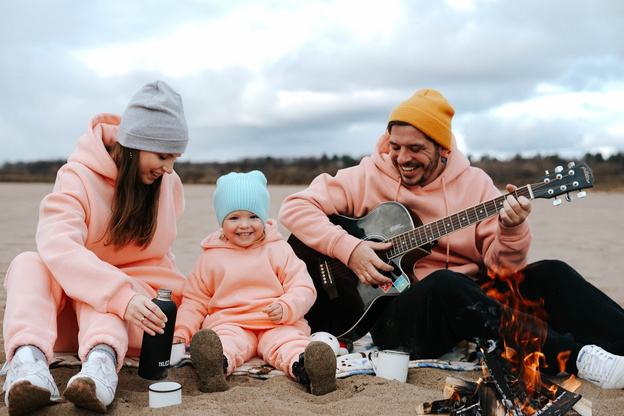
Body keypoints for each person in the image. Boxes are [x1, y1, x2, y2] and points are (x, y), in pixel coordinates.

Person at [279, 88, 624, 389]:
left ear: (442, 148)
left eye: (415, 148)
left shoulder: (475, 185)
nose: (401, 158)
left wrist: (511, 228)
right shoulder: (367, 174)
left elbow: (503, 270)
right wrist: (350, 248)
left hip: (471, 302)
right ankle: (576, 360)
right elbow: (295, 207)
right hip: (396, 317)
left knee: (552, 273)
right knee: (445, 283)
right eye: (395, 146)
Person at [2, 80, 190, 415]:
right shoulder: (77, 176)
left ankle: (101, 366)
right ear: (133, 145)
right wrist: (115, 292)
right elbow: (56, 241)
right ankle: (27, 363)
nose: (169, 169)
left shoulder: (168, 184)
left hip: (140, 318)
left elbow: (163, 259)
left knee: (102, 288)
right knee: (30, 262)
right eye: (162, 156)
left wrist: (128, 297)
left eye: (175, 158)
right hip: (70, 319)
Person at [172, 171, 337, 396]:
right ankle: (215, 366)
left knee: (287, 344)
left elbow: (303, 287)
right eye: (234, 218)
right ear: (221, 220)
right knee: (225, 342)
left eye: (253, 217)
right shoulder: (210, 257)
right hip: (232, 322)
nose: (244, 225)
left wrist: (287, 306)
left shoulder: (278, 250)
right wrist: (182, 330)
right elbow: (194, 300)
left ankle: (310, 368)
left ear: (263, 217)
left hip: (277, 322)